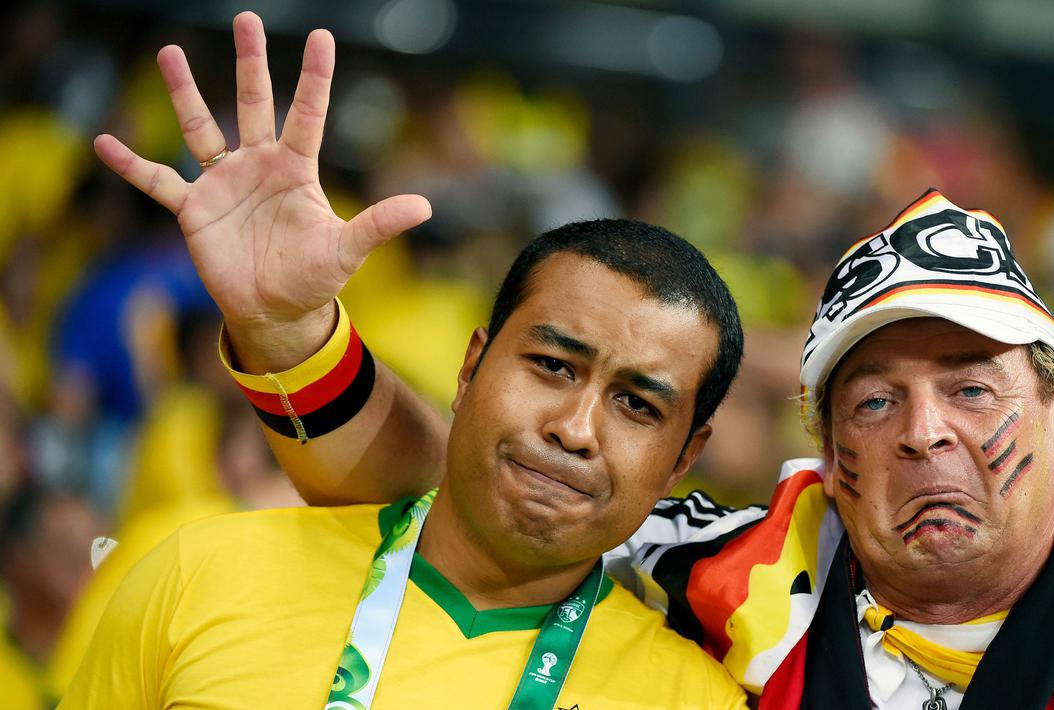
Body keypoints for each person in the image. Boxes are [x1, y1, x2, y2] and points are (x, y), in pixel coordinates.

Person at [269, 187, 1054, 707]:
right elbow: (468, 489)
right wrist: (286, 331)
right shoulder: (728, 571)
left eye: (971, 389)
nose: (923, 431)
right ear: (828, 456)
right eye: (874, 401)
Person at [62, 13, 748, 709]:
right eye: (552, 366)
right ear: (470, 366)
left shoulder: (693, 700)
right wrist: (283, 326)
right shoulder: (200, 573)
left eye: (637, 404)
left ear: (684, 457)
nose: (574, 428)